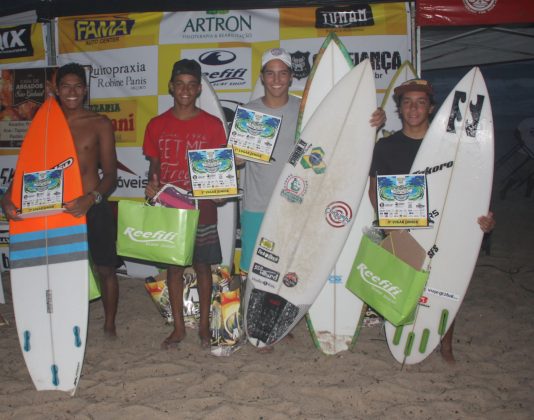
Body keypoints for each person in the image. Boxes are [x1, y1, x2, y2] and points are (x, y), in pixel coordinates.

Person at [368, 78, 496, 363]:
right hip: (402, 227)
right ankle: (402, 340)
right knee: (404, 285)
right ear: (399, 109)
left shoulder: (451, 148)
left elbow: (472, 188)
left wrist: (485, 219)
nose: (414, 108)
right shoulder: (386, 147)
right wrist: (390, 224)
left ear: (432, 108)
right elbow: (374, 190)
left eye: (421, 102)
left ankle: (446, 343)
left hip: (444, 226)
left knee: (445, 283)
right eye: (407, 102)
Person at [238, 47, 387, 275]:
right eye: (270, 73)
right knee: (253, 271)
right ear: (262, 77)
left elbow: (339, 131)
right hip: (257, 206)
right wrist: (237, 153)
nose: (276, 79)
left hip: (296, 205)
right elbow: (237, 161)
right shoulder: (250, 112)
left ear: (290, 77)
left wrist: (373, 116)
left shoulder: (306, 111)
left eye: (282, 73)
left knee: (291, 270)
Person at [1, 62, 120, 337]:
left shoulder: (99, 123)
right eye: (65, 85)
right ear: (55, 89)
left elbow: (111, 174)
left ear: (85, 89)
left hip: (92, 205)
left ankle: (110, 324)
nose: (72, 91)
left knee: (106, 268)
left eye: (77, 85)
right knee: (58, 271)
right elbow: (24, 171)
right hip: (55, 210)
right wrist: (7, 198)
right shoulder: (42, 125)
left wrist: (91, 198)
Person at [143, 59, 227, 350]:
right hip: (168, 210)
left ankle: (203, 325)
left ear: (199, 89)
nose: (185, 90)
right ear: (171, 87)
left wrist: (221, 193)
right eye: (180, 84)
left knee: (204, 266)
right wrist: (151, 185)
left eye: (192, 85)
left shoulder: (213, 125)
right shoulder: (156, 125)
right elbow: (154, 167)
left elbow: (220, 172)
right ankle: (179, 328)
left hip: (203, 208)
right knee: (173, 270)